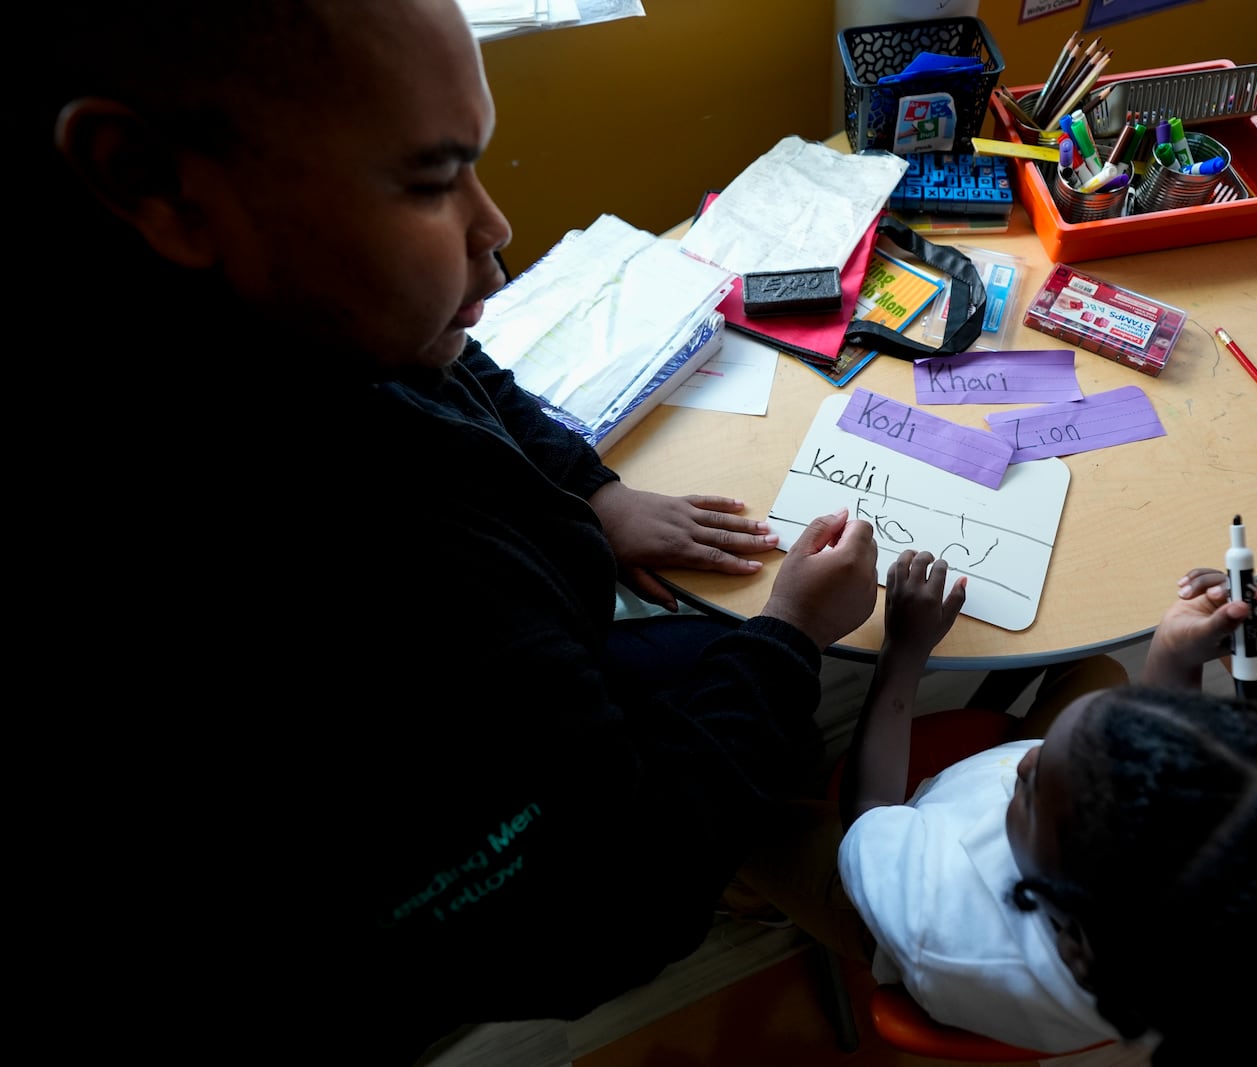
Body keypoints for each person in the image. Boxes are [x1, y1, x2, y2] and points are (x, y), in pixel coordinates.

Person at [29, 1, 881, 1060]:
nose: (496, 230)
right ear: (155, 183)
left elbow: (454, 355)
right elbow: (610, 918)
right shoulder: (373, 597)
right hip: (496, 903)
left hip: (538, 675)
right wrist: (792, 632)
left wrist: (592, 492)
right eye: (433, 181)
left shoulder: (328, 310)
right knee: (750, 695)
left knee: (723, 674)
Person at [832, 554, 1257, 1065]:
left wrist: (904, 653)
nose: (1021, 763)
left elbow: (870, 809)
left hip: (896, 885)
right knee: (1099, 671)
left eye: (1034, 789)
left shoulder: (943, 926)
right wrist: (1177, 658)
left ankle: (761, 895)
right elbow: (1176, 812)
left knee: (769, 828)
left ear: (1073, 931)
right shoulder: (1167, 949)